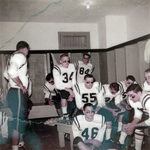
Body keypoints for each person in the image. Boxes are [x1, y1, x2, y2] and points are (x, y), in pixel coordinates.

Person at [3, 41, 30, 150]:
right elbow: (11, 71)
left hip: (15, 92)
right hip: (17, 92)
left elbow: (5, 74)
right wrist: (21, 85)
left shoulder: (12, 57)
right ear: (26, 49)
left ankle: (20, 144)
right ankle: (15, 148)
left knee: (21, 120)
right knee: (18, 122)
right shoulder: (20, 56)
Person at [125, 84, 150, 150]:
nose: (130, 98)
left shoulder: (148, 100)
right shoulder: (136, 99)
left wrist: (135, 126)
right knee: (138, 128)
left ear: (139, 93)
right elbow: (138, 114)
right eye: (129, 96)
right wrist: (132, 125)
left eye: (132, 96)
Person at [53, 53, 76, 123]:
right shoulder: (57, 68)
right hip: (62, 88)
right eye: (64, 61)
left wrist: (73, 92)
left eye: (68, 61)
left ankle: (69, 115)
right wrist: (69, 90)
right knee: (64, 95)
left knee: (74, 102)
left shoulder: (72, 67)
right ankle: (64, 114)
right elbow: (57, 85)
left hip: (70, 87)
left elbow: (74, 80)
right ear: (60, 61)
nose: (67, 63)